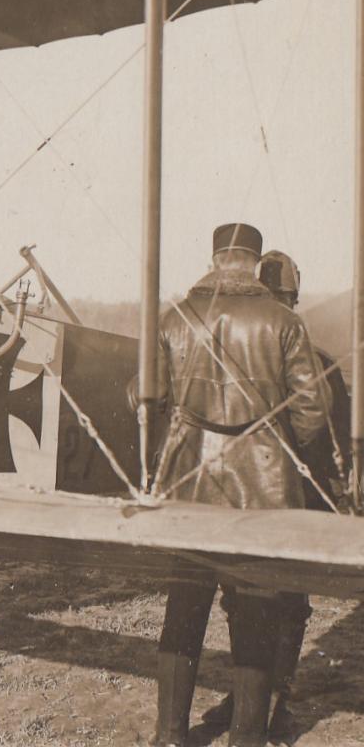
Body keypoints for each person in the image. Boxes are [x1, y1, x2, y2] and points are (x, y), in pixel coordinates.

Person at [150, 224, 329, 747]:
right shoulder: (284, 321)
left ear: (213, 258)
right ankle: (247, 739)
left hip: (189, 482)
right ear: (254, 263)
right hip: (265, 488)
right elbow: (313, 414)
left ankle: (169, 736)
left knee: (183, 608)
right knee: (255, 614)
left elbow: (150, 394)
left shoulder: (174, 319)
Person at [202, 250, 350, 740]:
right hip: (276, 493)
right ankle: (257, 699)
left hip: (254, 494)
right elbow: (324, 430)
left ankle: (268, 698)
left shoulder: (231, 346)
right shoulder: (310, 356)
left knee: (263, 600)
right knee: (265, 602)